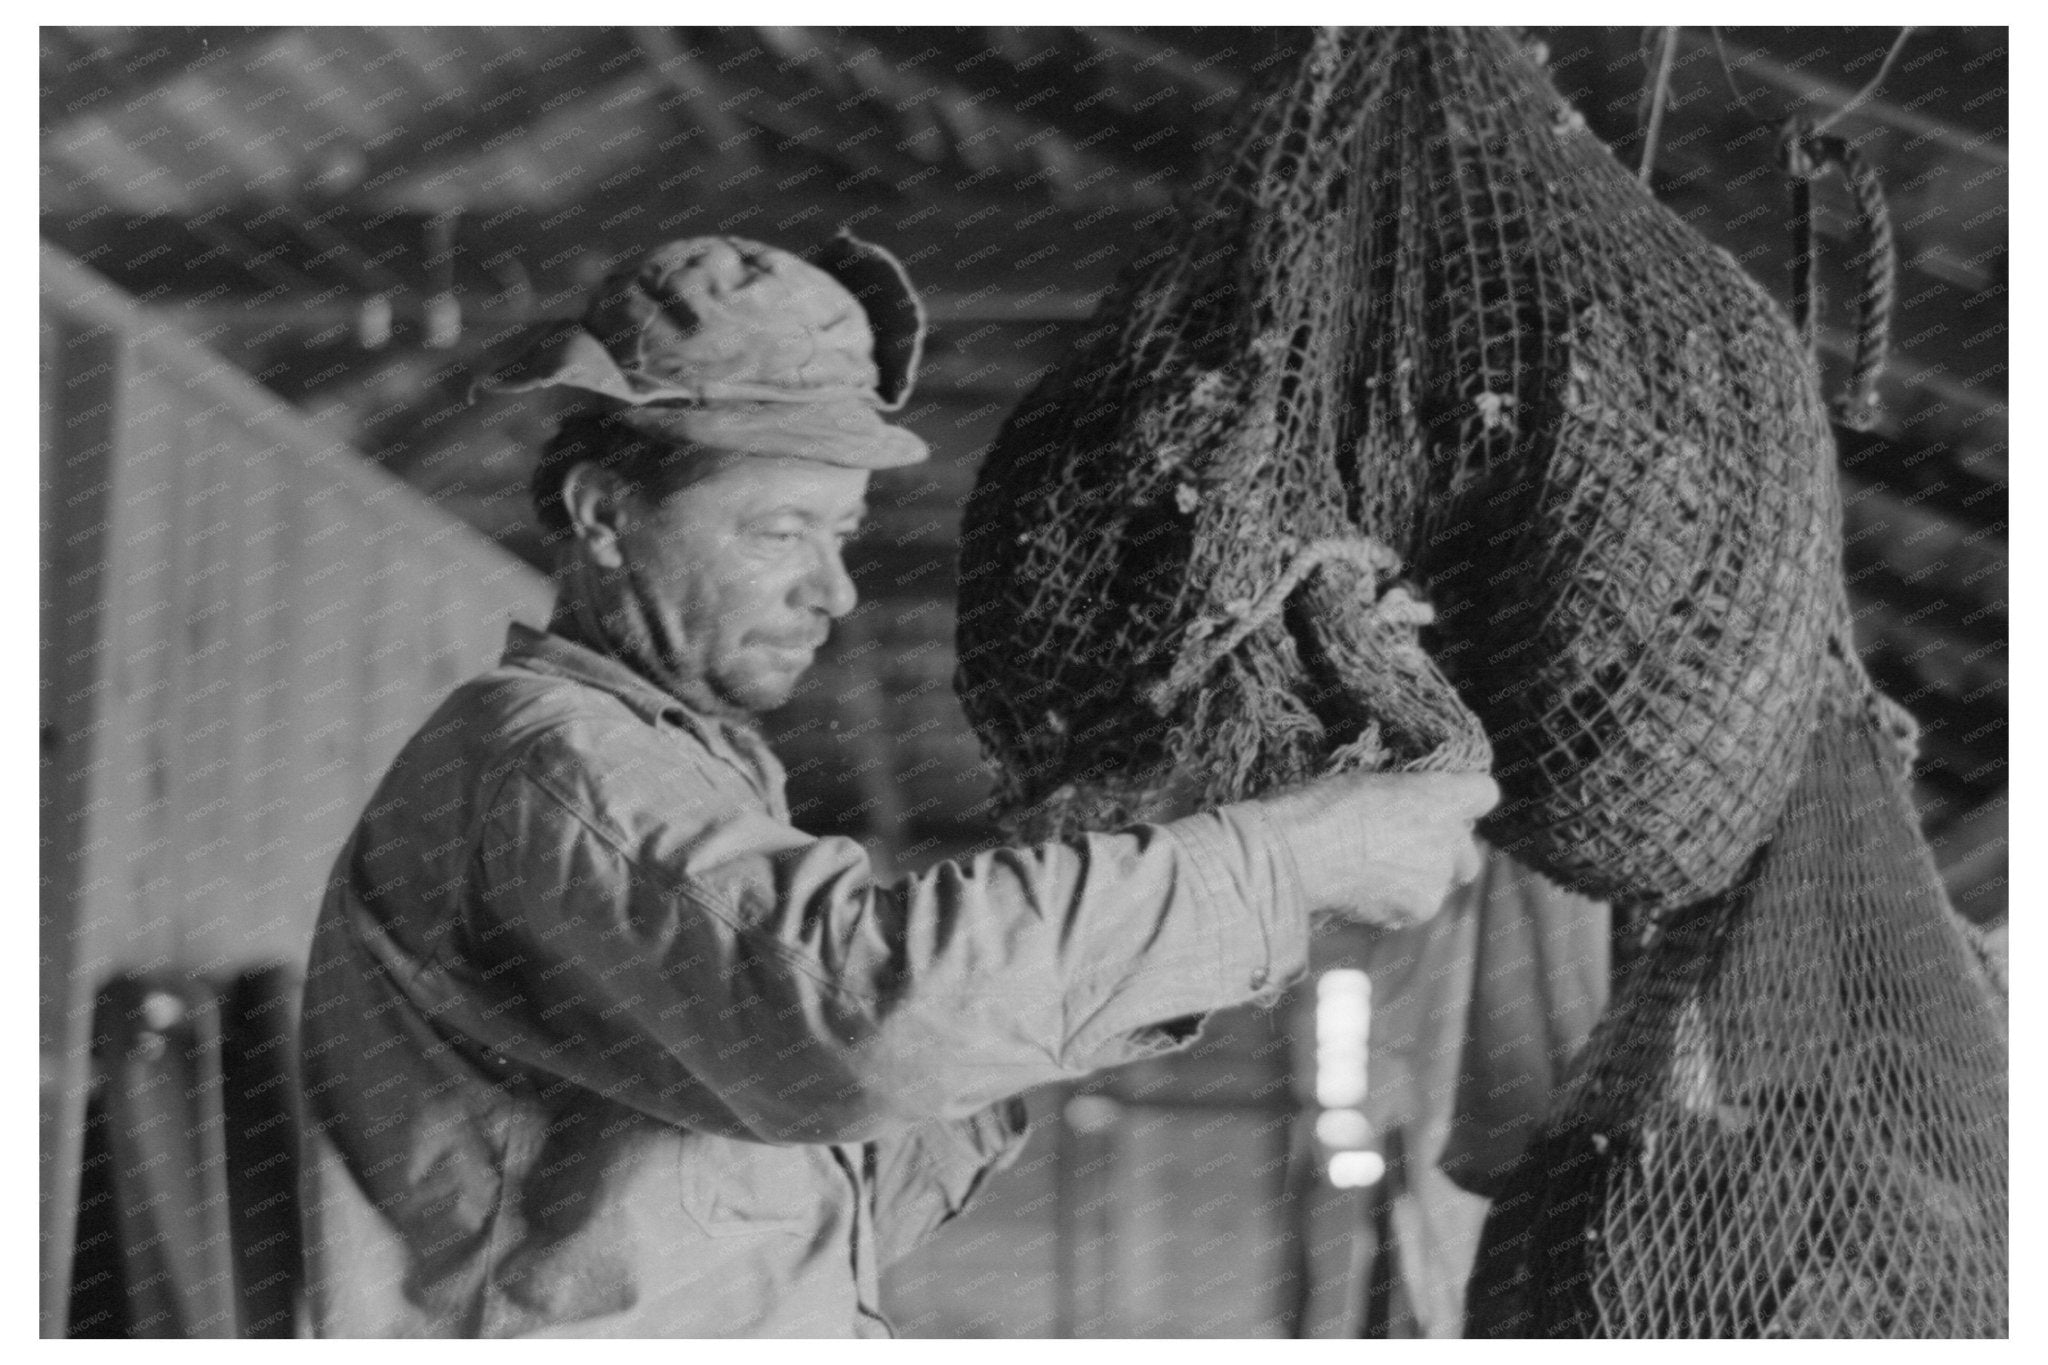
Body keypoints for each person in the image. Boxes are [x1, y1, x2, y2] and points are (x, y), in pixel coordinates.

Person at [296, 232, 1497, 1337]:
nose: (836, 591)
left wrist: (1140, 895)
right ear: (603, 513)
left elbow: (842, 1180)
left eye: (842, 532)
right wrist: (1278, 861)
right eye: (778, 531)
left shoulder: (688, 781)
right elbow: (860, 1020)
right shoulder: (554, 764)